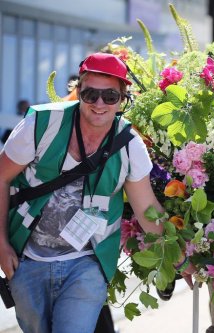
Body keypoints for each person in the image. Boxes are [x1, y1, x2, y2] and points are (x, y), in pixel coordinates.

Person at [0, 53, 192, 333]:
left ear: (123, 99)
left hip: (87, 263)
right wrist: (1, 245)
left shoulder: (129, 145)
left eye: (110, 96)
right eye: (90, 94)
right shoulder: (40, 125)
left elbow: (147, 209)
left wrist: (182, 259)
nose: (99, 104)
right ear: (78, 92)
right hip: (27, 260)